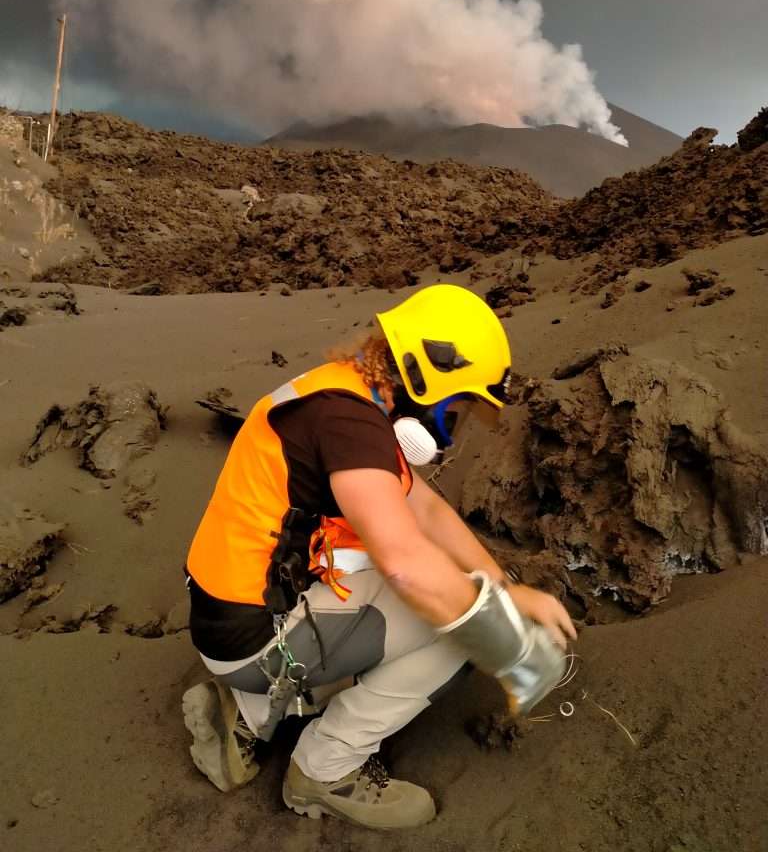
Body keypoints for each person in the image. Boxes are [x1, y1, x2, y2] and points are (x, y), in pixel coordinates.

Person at [182, 284, 576, 829]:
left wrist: (502, 586)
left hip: (234, 615)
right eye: (459, 407)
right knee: (455, 625)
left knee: (457, 589)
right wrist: (512, 644)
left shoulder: (345, 399)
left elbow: (428, 511)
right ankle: (324, 770)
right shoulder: (349, 425)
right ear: (425, 379)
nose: (455, 430)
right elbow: (407, 563)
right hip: (253, 638)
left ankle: (245, 714)